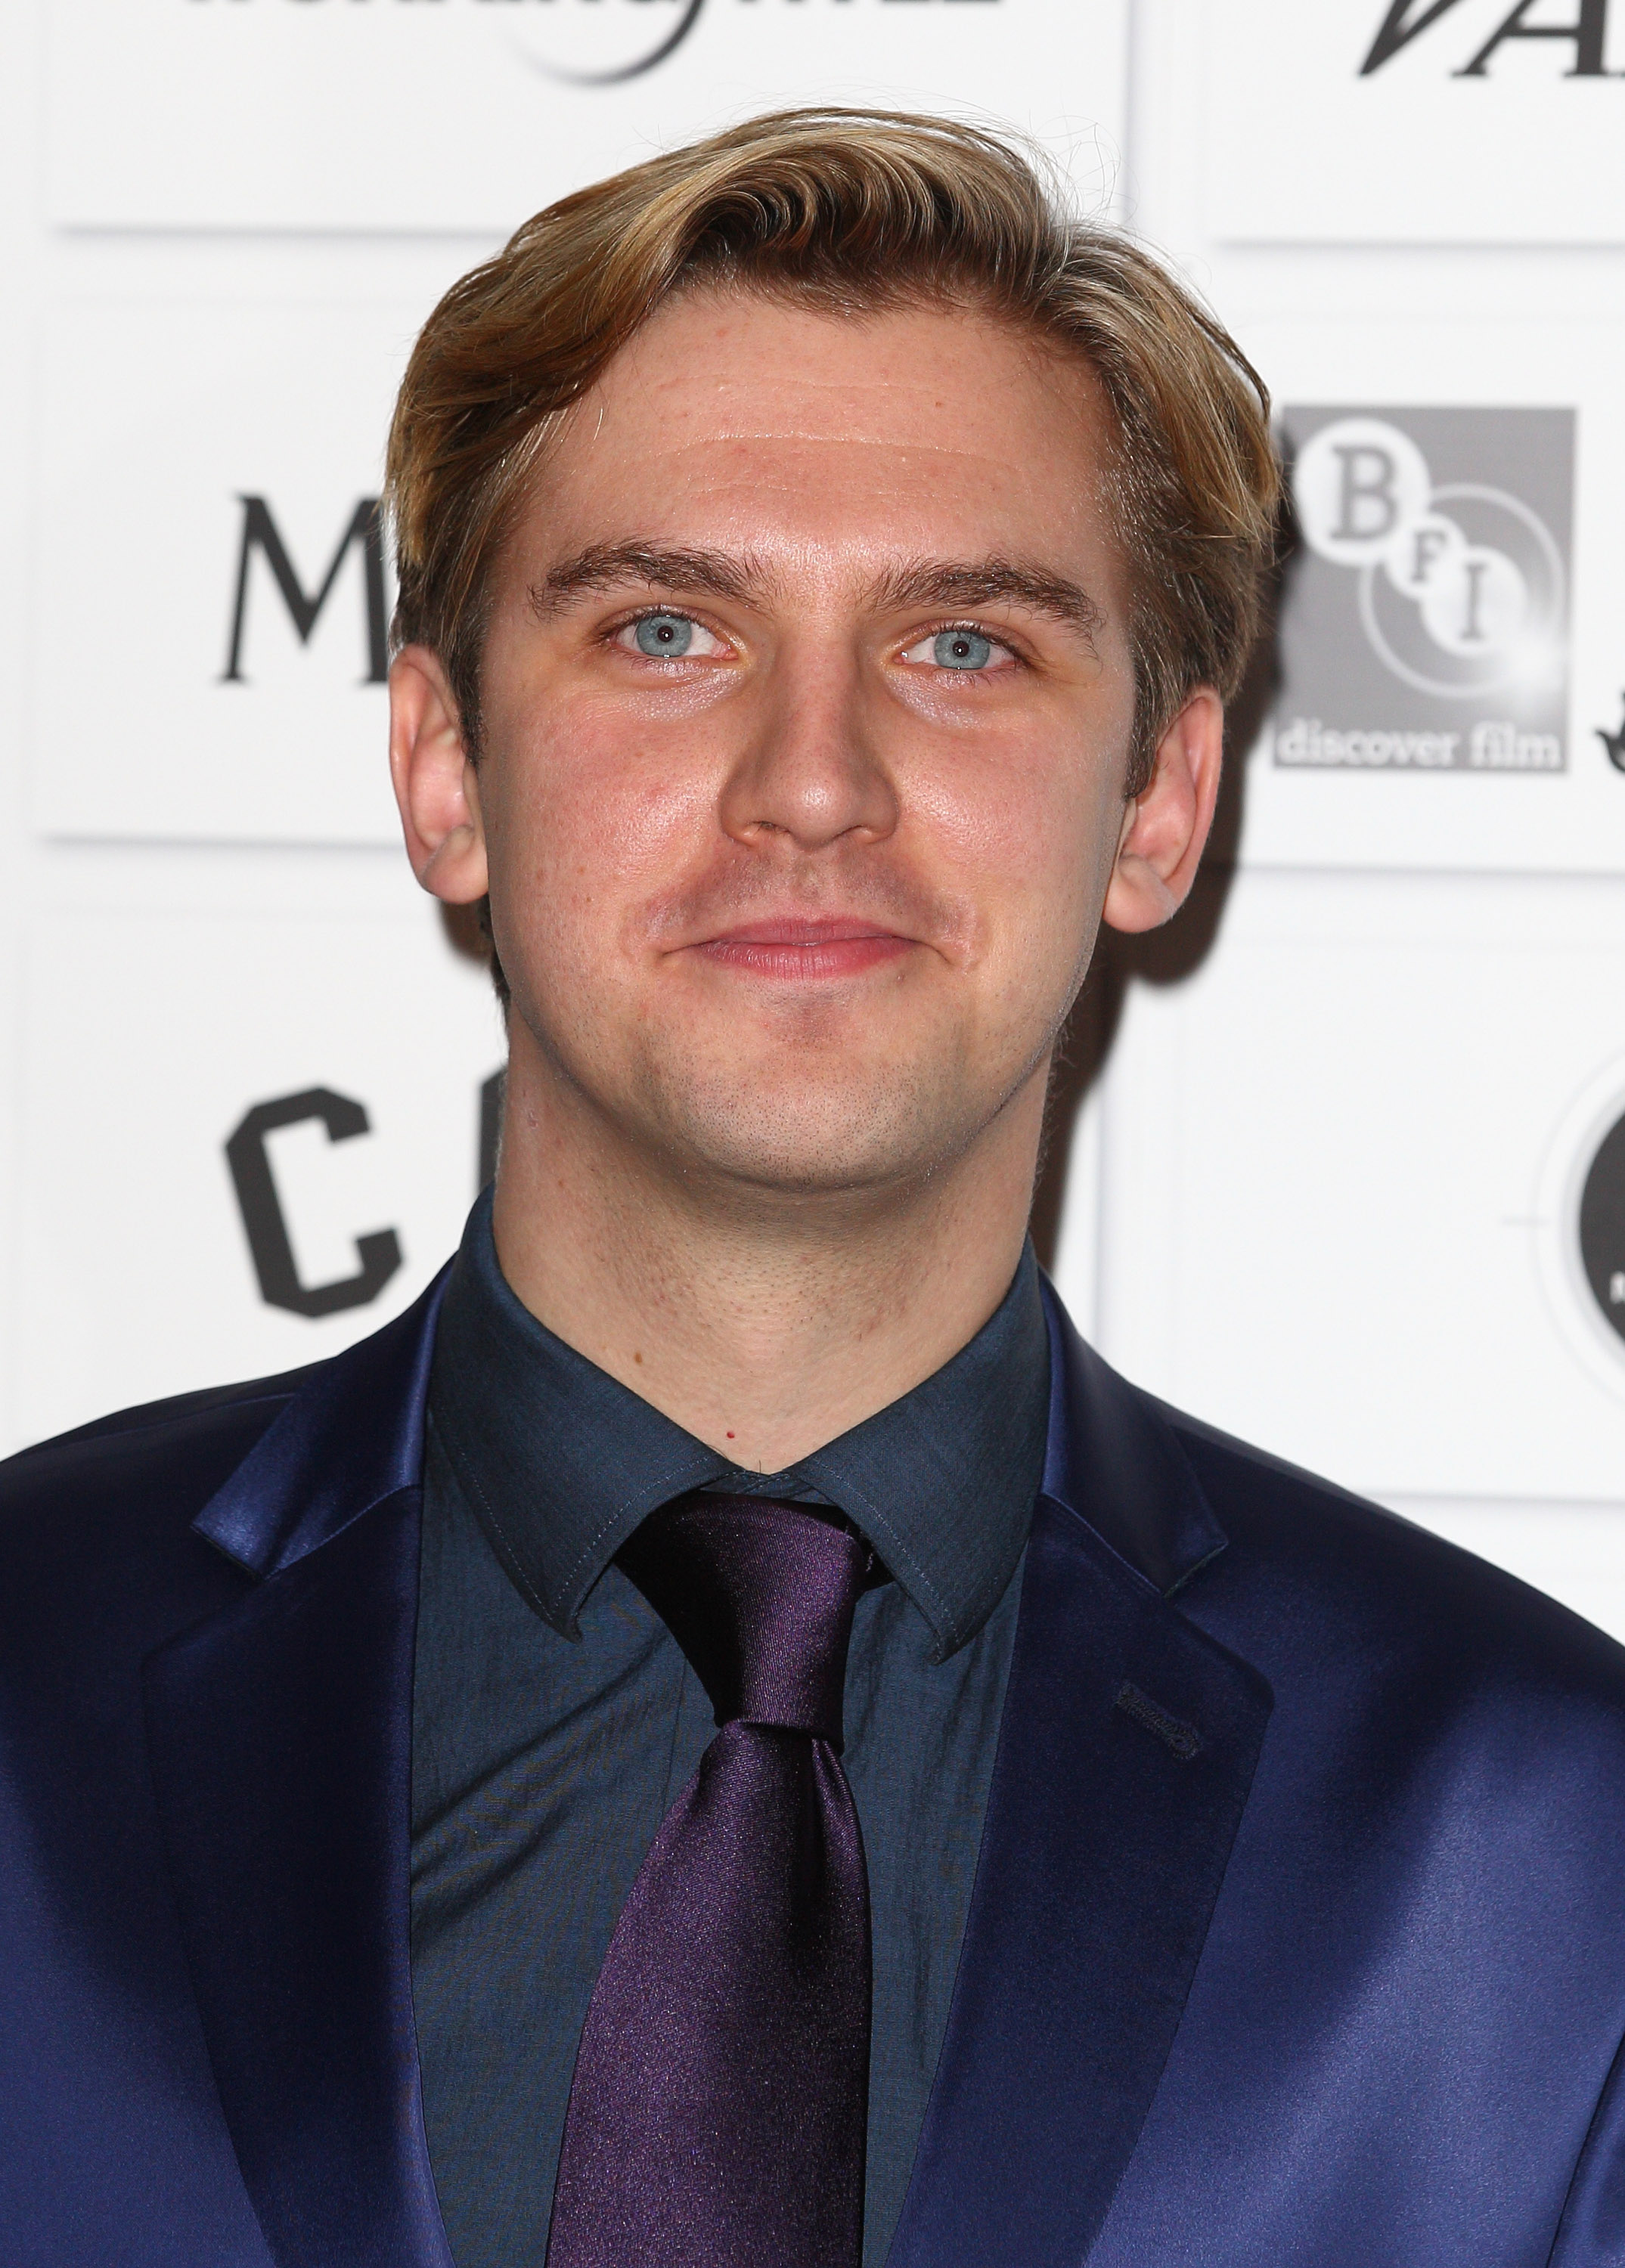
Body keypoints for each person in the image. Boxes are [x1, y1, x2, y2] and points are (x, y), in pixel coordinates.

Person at [2, 107, 1623, 2268]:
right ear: (443, 767)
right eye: (669, 631)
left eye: (964, 647)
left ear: (1160, 802)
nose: (814, 784)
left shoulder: (1541, 1847)